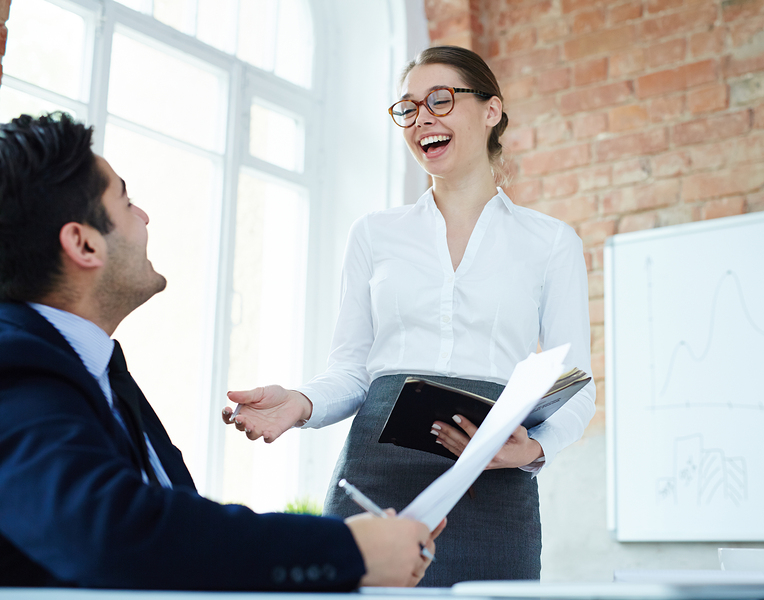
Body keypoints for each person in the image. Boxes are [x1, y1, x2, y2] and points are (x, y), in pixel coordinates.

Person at [0, 112, 442, 591]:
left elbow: (171, 524)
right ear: (83, 244)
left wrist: (364, 548)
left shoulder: (93, 367)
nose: (145, 217)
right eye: (126, 203)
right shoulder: (16, 368)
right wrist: (349, 552)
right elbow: (111, 531)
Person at [221, 46, 596, 587]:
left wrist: (535, 449)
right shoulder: (375, 234)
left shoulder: (551, 242)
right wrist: (300, 404)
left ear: (491, 111)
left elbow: (578, 385)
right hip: (377, 477)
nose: (422, 117)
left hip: (492, 479)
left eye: (440, 100)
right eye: (408, 107)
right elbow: (352, 370)